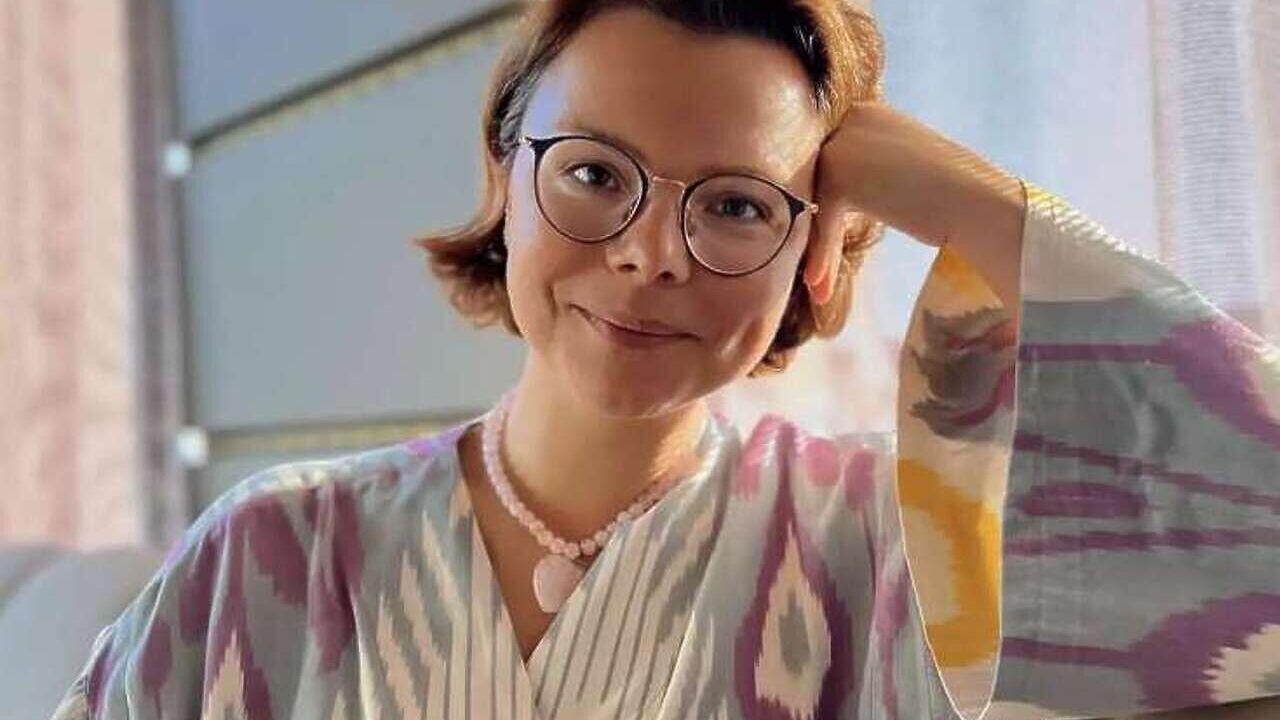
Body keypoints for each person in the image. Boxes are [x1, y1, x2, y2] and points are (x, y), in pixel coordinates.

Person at [51, 1, 1280, 718]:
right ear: (504, 176)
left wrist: (957, 195)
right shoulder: (268, 555)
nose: (650, 254)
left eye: (737, 204)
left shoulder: (901, 539)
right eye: (593, 173)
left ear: (816, 247)